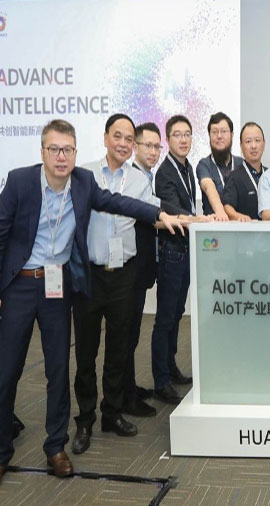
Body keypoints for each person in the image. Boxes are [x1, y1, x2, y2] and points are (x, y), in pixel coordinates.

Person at [0, 119, 184, 482]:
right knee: (7, 372)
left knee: (58, 370)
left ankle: (56, 447)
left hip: (56, 288)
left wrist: (159, 214)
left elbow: (119, 202)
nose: (61, 157)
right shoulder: (20, 181)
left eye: (67, 150)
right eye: (54, 149)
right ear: (42, 151)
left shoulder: (83, 183)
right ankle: (2, 449)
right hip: (20, 285)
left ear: (75, 152)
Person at [72, 114, 168, 454]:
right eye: (118, 136)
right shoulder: (84, 174)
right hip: (90, 274)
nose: (124, 144)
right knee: (86, 352)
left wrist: (190, 218)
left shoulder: (139, 179)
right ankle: (85, 419)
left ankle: (111, 413)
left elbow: (155, 213)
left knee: (118, 349)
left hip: (124, 275)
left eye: (129, 138)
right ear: (105, 138)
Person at [151, 115, 200, 405]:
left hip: (185, 249)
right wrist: (201, 220)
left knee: (177, 313)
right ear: (168, 139)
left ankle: (170, 368)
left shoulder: (187, 167)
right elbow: (173, 210)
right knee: (165, 317)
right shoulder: (165, 172)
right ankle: (160, 381)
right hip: (171, 251)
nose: (183, 139)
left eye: (187, 134)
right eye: (177, 134)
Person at [123, 122, 164, 418]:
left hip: (141, 269)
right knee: (126, 335)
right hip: (130, 270)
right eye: (147, 145)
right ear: (135, 146)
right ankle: (125, 398)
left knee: (132, 333)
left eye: (156, 146)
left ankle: (129, 387)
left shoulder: (146, 177)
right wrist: (189, 219)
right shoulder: (131, 179)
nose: (153, 151)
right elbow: (154, 217)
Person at [195, 112, 243, 220]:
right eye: (214, 132)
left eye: (224, 131)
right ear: (209, 136)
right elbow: (208, 186)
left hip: (240, 225)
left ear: (232, 135)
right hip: (214, 225)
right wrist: (220, 211)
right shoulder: (204, 164)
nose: (219, 136)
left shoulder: (241, 164)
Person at [223, 121, 266, 221]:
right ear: (241, 146)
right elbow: (227, 207)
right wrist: (238, 216)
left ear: (264, 144)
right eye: (248, 141)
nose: (253, 146)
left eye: (257, 140)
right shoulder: (234, 177)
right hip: (246, 229)